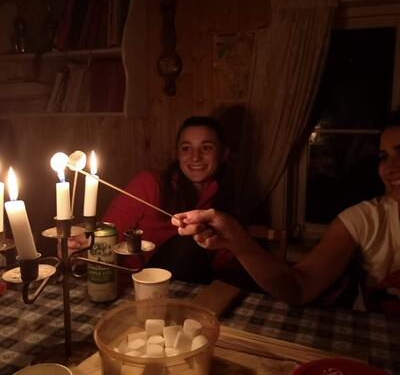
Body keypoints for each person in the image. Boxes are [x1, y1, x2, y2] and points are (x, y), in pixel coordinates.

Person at [171, 111, 400, 313]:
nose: (391, 167)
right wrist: (234, 237)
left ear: (224, 154)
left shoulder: (233, 193)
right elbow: (299, 287)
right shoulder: (363, 219)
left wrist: (233, 239)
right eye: (384, 157)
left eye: (207, 147)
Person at [71, 116, 236, 283]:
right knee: (186, 244)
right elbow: (107, 235)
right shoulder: (150, 184)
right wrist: (79, 248)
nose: (195, 157)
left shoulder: (227, 200)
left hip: (193, 288)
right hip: (136, 283)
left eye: (206, 148)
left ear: (224, 154)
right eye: (186, 148)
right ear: (178, 154)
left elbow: (223, 265)